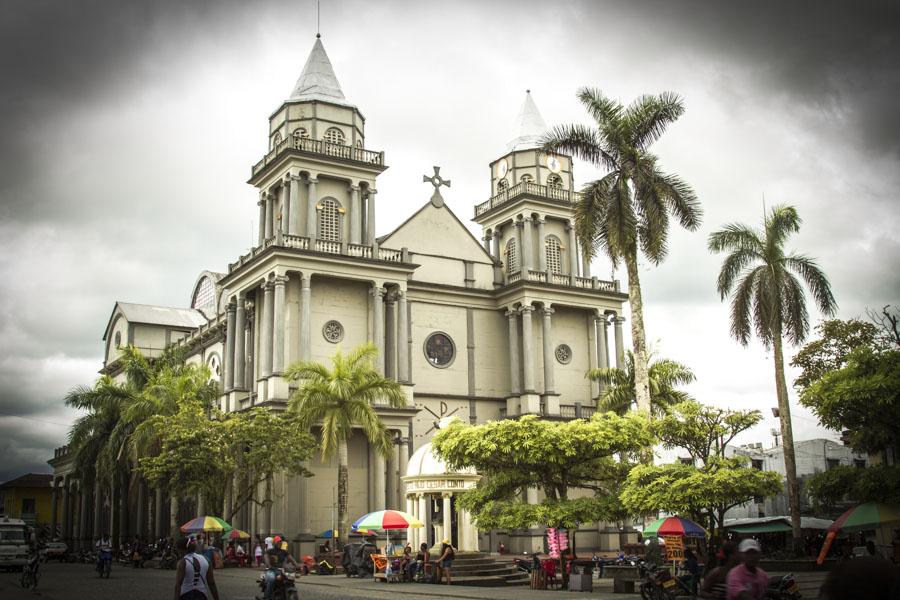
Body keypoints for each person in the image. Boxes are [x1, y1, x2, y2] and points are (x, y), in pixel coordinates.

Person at [262, 535, 300, 600]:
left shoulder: (284, 551)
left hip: (282, 570)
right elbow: (266, 558)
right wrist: (269, 565)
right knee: (271, 579)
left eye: (280, 542)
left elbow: (292, 559)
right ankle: (267, 597)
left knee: (289, 579)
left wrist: (297, 566)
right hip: (271, 570)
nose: (280, 543)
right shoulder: (270, 551)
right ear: (274, 543)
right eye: (278, 542)